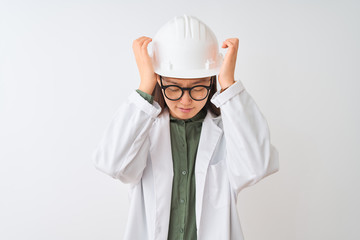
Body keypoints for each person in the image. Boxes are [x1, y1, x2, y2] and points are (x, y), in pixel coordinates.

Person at [92, 14, 279, 240]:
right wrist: (145, 86)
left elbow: (257, 166)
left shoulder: (227, 132)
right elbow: (111, 163)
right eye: (174, 88)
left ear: (212, 82)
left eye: (198, 88)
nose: (185, 101)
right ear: (159, 81)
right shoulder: (144, 131)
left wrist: (228, 85)